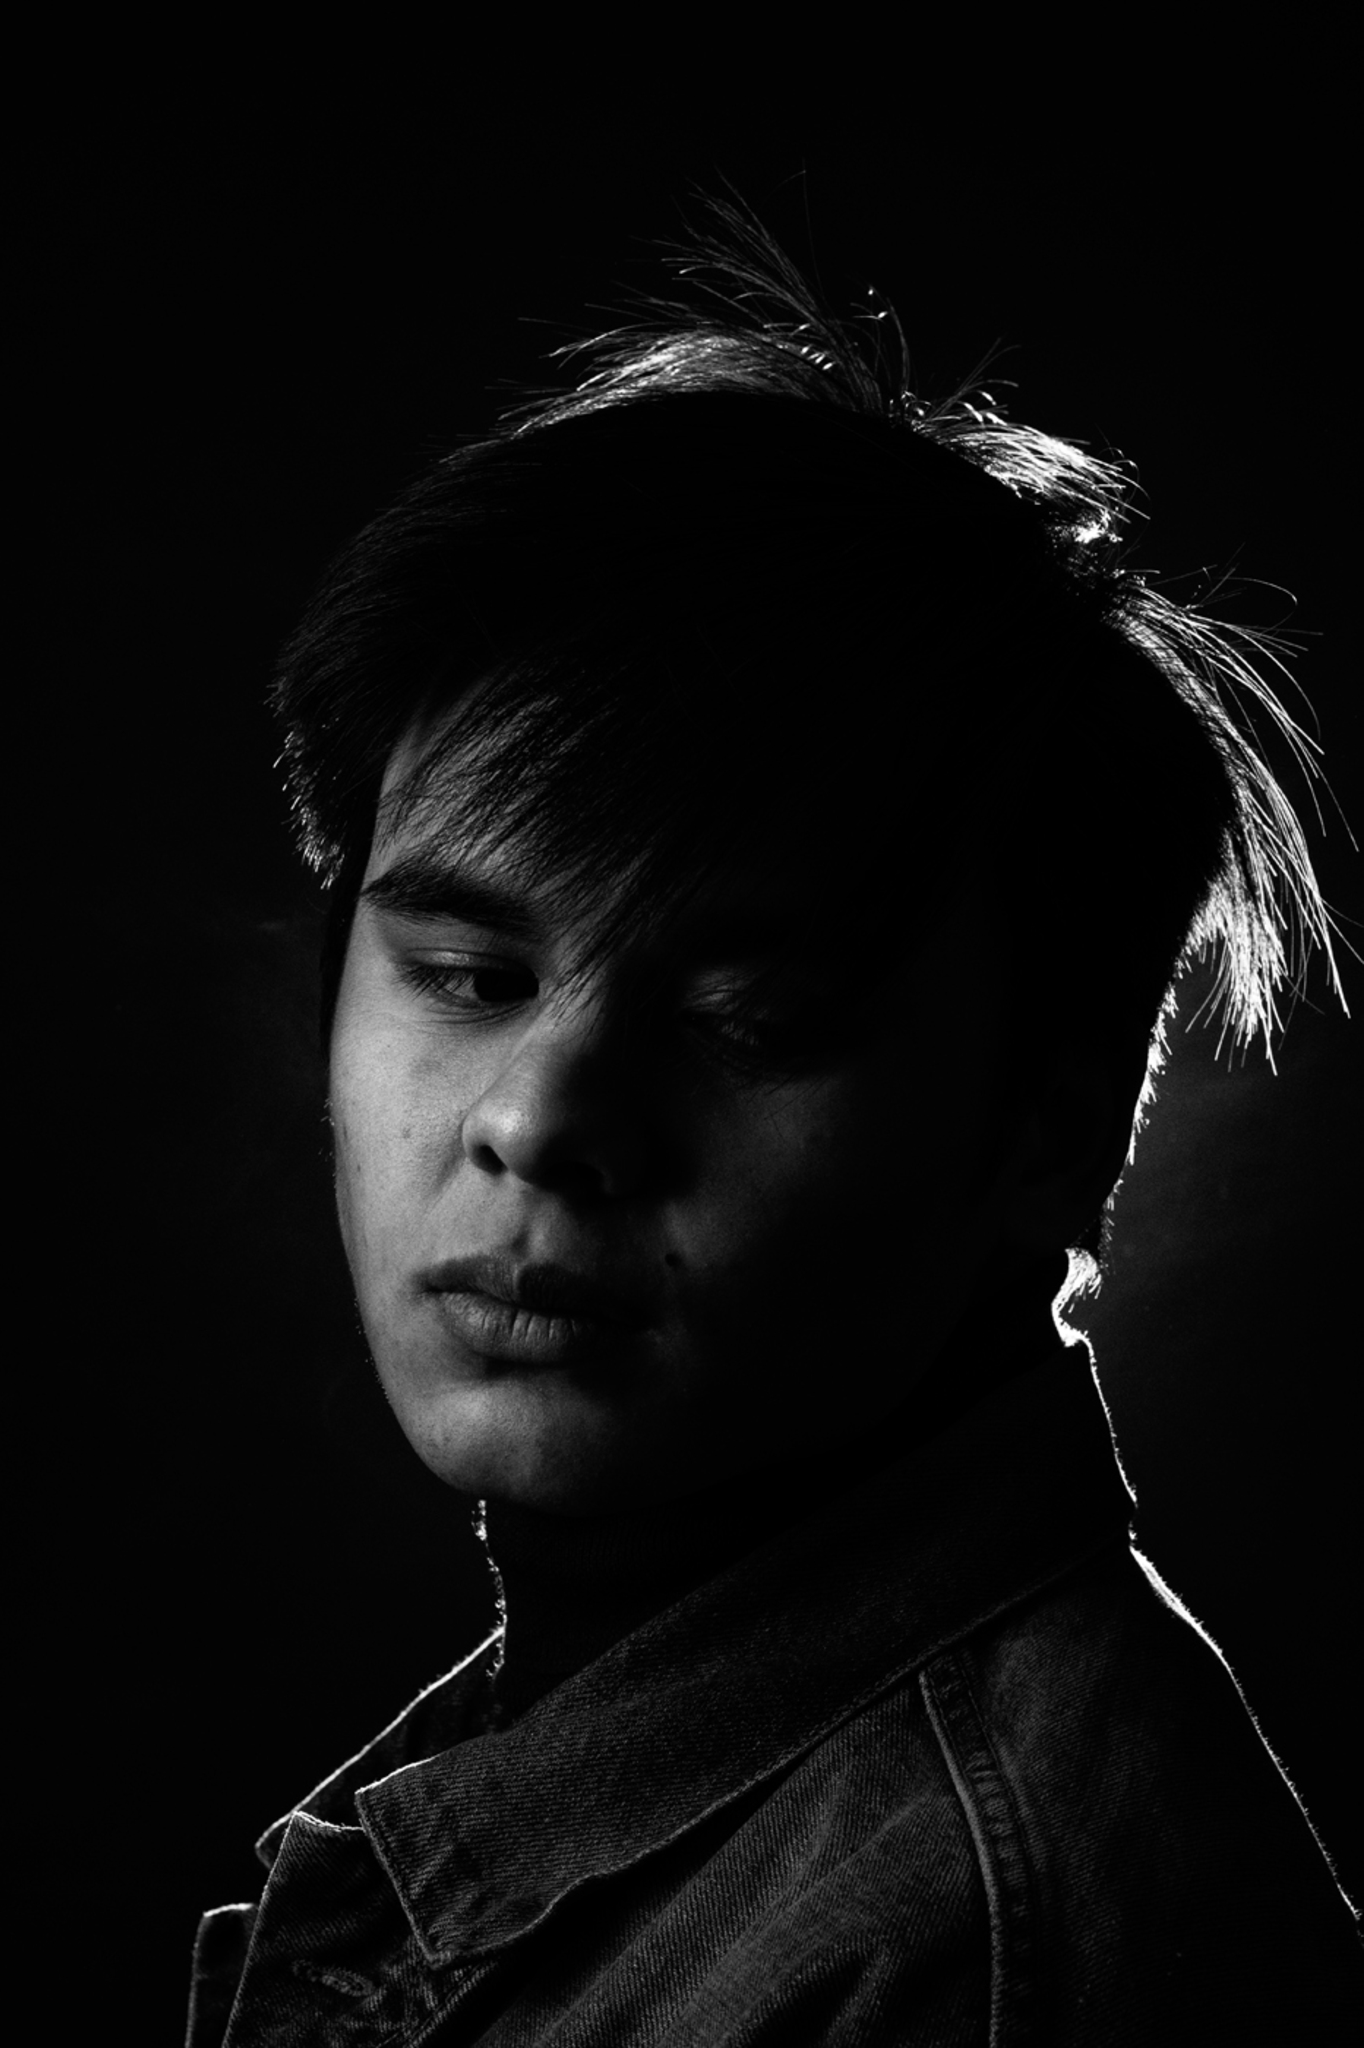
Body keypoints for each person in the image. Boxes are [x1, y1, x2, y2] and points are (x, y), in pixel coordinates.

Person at [186, 195, 1361, 2044]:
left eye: (754, 1023)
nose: (540, 1120)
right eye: (469, 975)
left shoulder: (963, 1956)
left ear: (1050, 1126)